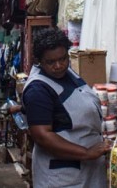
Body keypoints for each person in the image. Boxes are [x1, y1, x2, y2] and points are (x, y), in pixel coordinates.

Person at [21, 28, 111, 188]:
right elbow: (42, 136)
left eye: (63, 59)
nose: (58, 65)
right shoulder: (38, 89)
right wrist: (86, 153)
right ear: (39, 61)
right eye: (51, 62)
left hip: (86, 170)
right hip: (62, 176)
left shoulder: (68, 74)